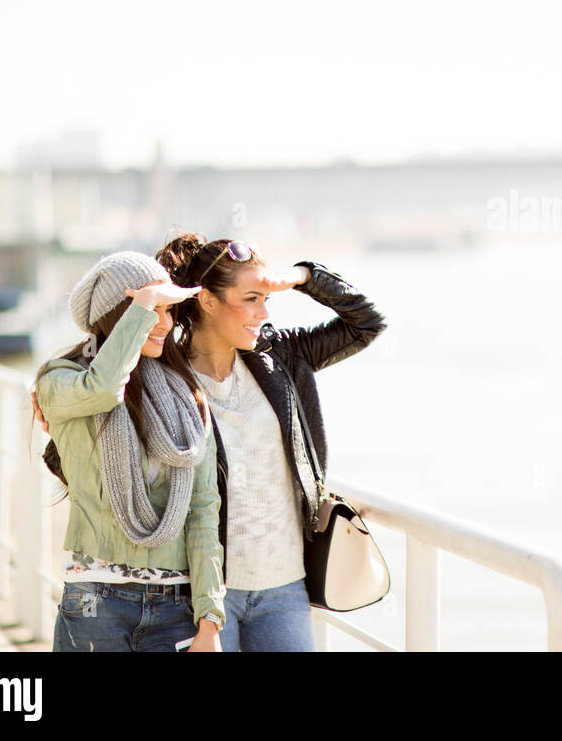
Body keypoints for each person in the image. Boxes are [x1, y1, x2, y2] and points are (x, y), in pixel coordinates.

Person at [151, 233, 387, 651]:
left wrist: (301, 277)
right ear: (207, 300)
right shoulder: (167, 376)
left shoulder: (282, 355)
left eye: (267, 298)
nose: (263, 311)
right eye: (250, 298)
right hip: (202, 594)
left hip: (285, 589)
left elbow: (366, 322)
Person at [34, 251, 224, 652]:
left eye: (168, 311)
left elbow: (204, 509)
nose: (166, 322)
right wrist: (143, 306)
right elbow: (104, 390)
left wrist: (210, 620)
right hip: (94, 602)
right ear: (120, 313)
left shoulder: (186, 395)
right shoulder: (62, 380)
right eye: (155, 309)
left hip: (175, 607)